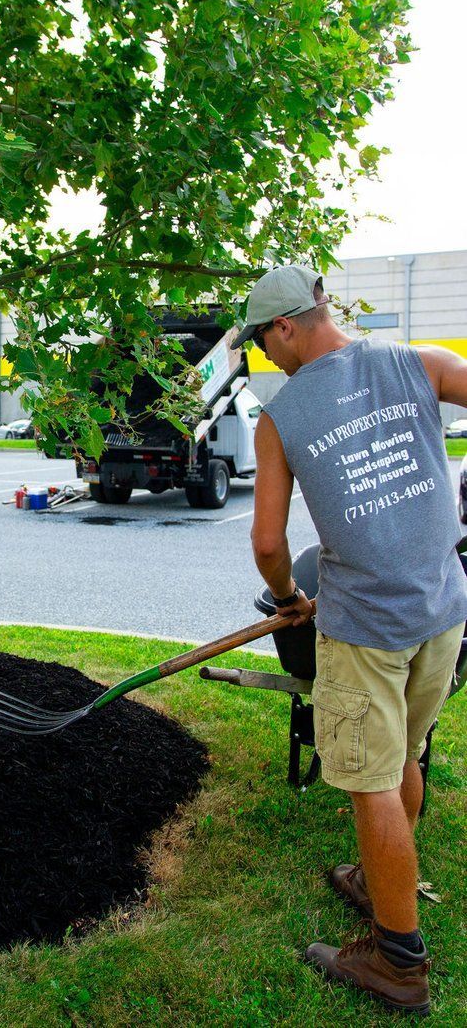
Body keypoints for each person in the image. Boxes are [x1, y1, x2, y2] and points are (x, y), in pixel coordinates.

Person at [231, 264, 467, 1017]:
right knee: (400, 755)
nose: (265, 358)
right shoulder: (418, 362)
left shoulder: (282, 419)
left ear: (287, 326)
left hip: (365, 628)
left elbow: (269, 540)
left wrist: (290, 596)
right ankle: (378, 879)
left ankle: (398, 956)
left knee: (370, 779)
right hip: (444, 613)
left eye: (263, 342)